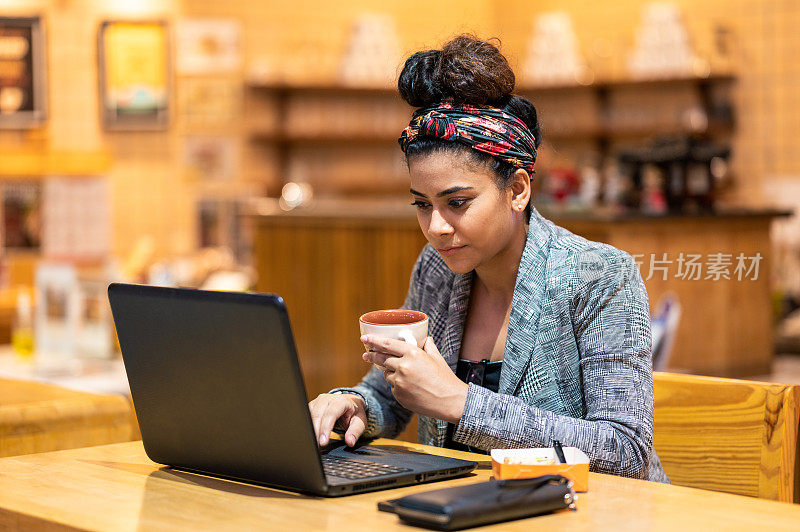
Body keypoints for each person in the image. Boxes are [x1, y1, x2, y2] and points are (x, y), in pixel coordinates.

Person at [308, 34, 669, 482]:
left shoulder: (599, 276)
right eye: (422, 204)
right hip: (468, 508)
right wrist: (355, 404)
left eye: (457, 203)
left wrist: (460, 402)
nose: (437, 227)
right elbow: (396, 392)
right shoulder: (437, 268)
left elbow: (626, 452)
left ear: (517, 189)